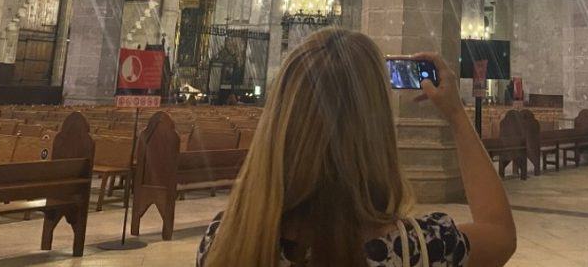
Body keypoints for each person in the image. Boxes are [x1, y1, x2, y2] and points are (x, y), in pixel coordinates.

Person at [197, 28, 517, 267]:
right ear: (375, 129)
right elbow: (499, 233)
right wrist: (457, 115)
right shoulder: (417, 248)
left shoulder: (224, 240)